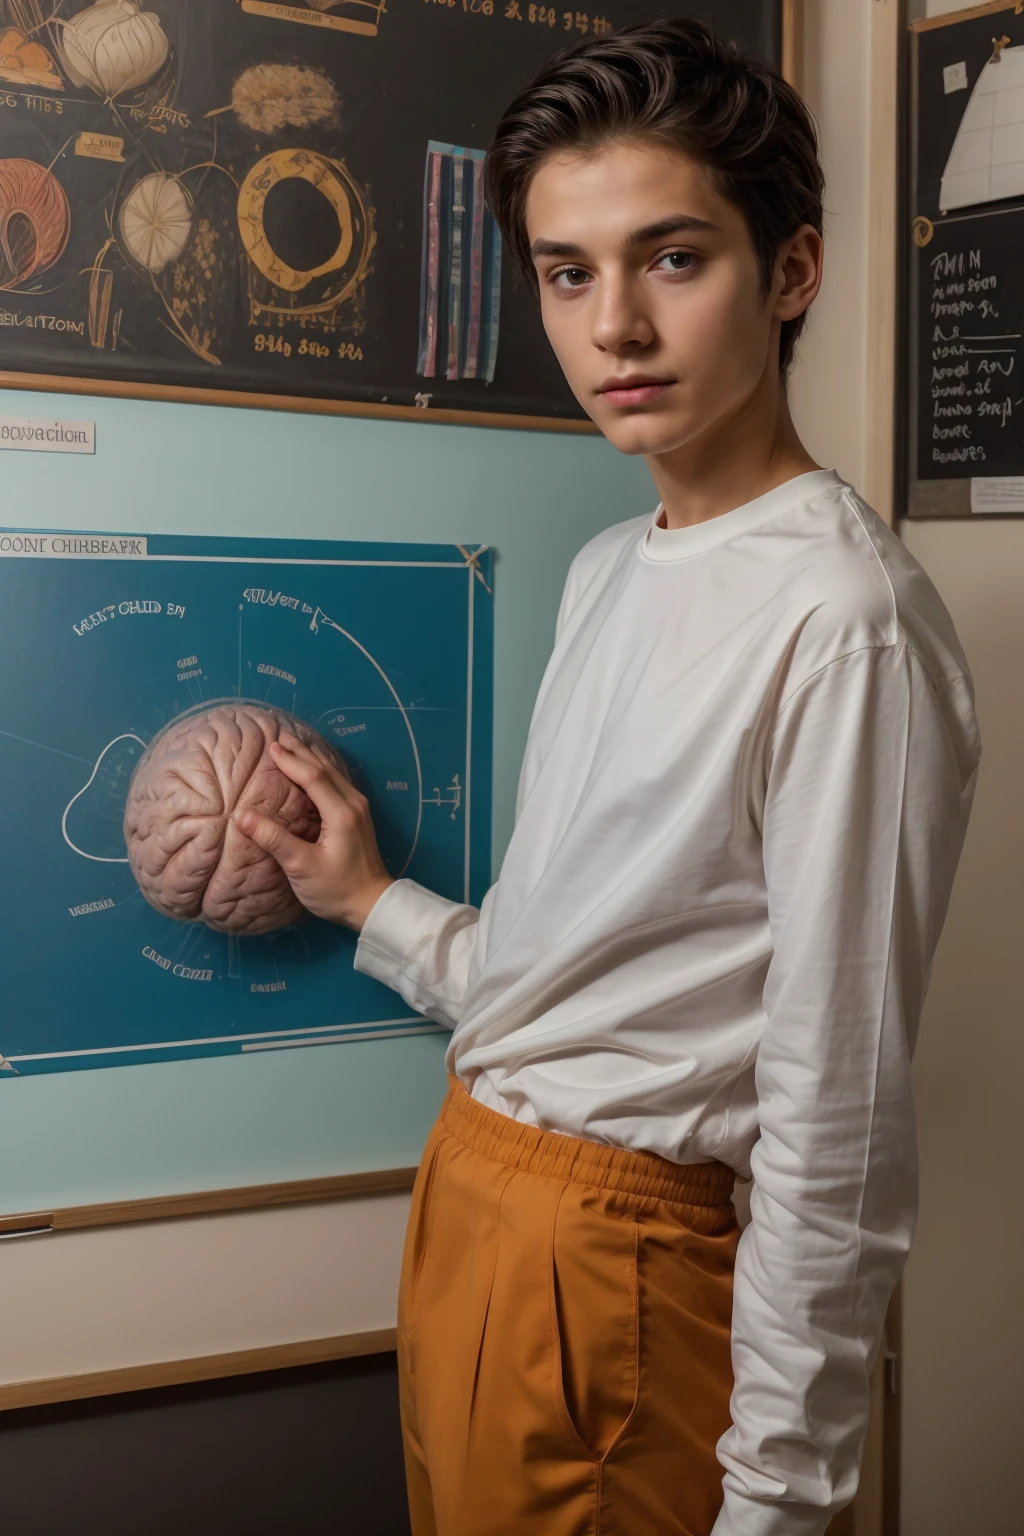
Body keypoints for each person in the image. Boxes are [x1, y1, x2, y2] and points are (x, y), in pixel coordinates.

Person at [234, 19, 980, 1536]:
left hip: (622, 1279)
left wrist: (778, 1503)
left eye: (674, 258)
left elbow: (835, 1121)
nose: (614, 327)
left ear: (793, 273)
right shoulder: (604, 570)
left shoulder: (845, 624)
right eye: (569, 273)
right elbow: (570, 980)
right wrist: (371, 899)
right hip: (472, 1205)